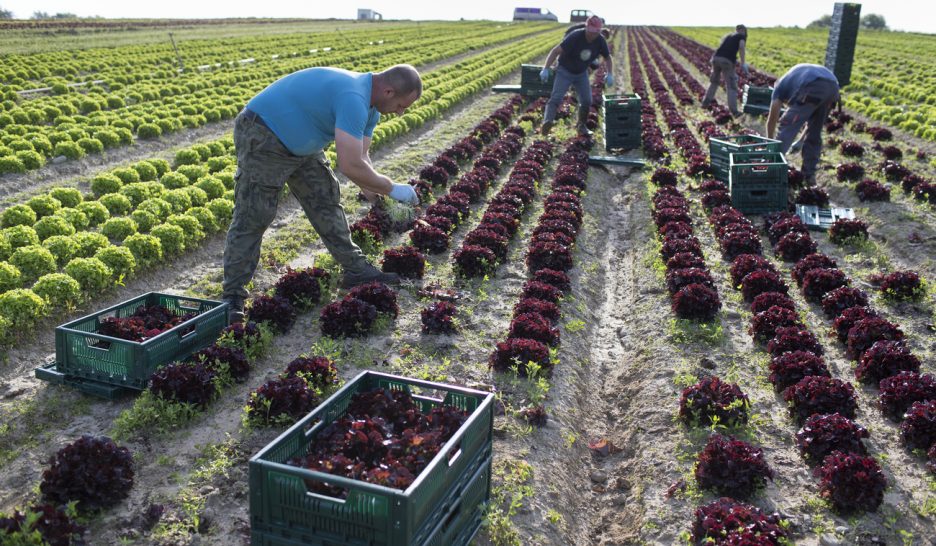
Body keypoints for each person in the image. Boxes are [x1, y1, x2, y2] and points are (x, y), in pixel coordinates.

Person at [221, 65, 423, 322]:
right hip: (264, 134)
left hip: (303, 144)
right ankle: (232, 297)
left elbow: (361, 158)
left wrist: (375, 195)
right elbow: (348, 165)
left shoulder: (372, 108)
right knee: (254, 214)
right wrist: (393, 188)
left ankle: (356, 269)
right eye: (401, 105)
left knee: (326, 201)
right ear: (389, 90)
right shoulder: (354, 98)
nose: (400, 112)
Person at [766, 63, 840, 187]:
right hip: (833, 88)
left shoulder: (779, 89)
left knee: (787, 125)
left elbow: (772, 118)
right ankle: (809, 176)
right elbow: (810, 124)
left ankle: (772, 169)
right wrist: (800, 140)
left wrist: (770, 143)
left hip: (813, 85)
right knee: (815, 132)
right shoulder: (793, 80)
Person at [539, 15, 613, 136]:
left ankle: (581, 126)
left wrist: (610, 73)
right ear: (587, 27)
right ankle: (547, 123)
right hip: (565, 70)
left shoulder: (600, 40)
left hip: (581, 73)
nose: (593, 35)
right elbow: (556, 51)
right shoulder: (575, 36)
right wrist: (546, 68)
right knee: (556, 98)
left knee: (587, 100)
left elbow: (608, 57)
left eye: (596, 32)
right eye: (591, 31)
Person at [701, 24, 749, 117]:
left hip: (716, 58)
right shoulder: (741, 36)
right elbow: (742, 47)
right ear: (743, 30)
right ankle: (734, 112)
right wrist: (743, 63)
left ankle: (705, 103)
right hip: (727, 61)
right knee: (731, 86)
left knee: (714, 82)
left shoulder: (729, 36)